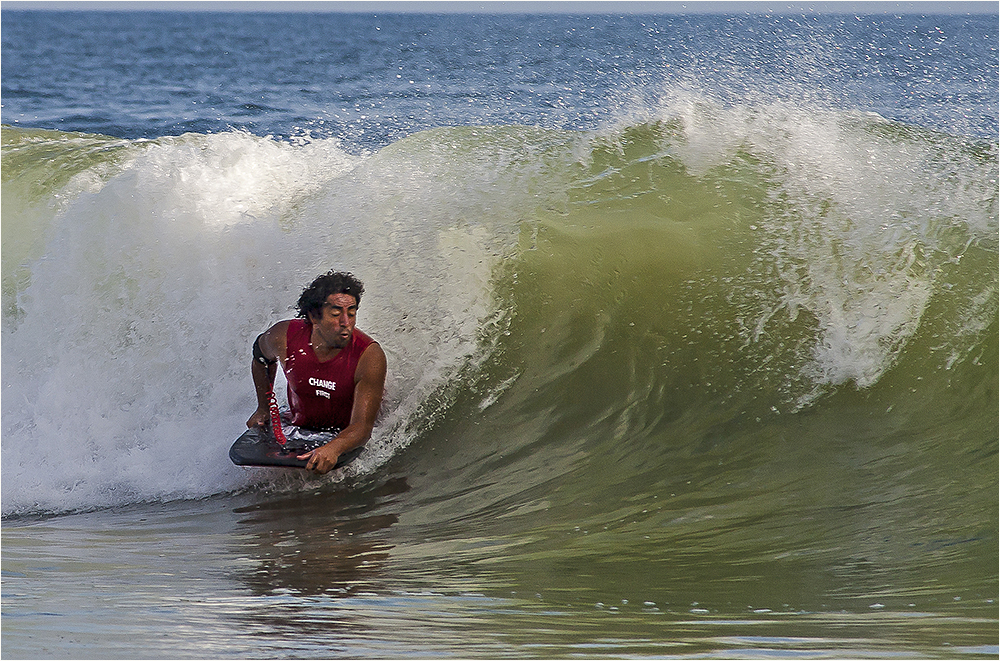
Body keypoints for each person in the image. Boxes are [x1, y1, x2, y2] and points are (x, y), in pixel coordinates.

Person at [247, 271, 387, 474]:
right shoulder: (284, 337)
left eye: (352, 312)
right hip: (300, 425)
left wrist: (334, 447)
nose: (346, 322)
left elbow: (362, 427)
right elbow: (260, 355)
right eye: (336, 314)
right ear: (314, 316)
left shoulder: (369, 356)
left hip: (347, 431)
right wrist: (263, 407)